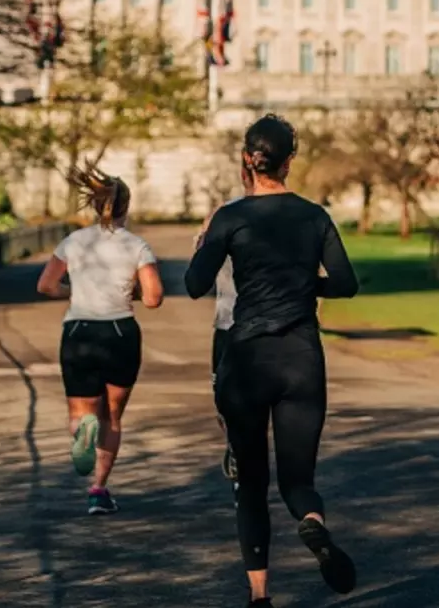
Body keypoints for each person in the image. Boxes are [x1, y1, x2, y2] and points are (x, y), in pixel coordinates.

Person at [185, 114, 360, 608]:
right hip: (302, 357)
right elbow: (346, 283)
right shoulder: (314, 216)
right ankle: (311, 523)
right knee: (298, 481)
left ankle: (259, 595)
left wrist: (210, 244)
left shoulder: (231, 217)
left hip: (247, 361)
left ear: (248, 160)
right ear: (290, 161)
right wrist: (305, 285)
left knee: (251, 484)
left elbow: (196, 285)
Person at [36, 163, 164, 515]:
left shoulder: (73, 242)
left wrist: (75, 291)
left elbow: (45, 285)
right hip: (120, 332)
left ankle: (82, 429)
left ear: (96, 205)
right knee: (113, 416)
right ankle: (98, 489)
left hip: (79, 331)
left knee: (82, 411)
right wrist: (127, 292)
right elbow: (153, 298)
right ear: (126, 207)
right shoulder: (137, 246)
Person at [201, 164, 255, 498]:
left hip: (237, 324)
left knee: (232, 398)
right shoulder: (220, 216)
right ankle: (238, 444)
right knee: (225, 400)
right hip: (229, 318)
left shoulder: (221, 217)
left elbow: (198, 279)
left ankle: (244, 450)